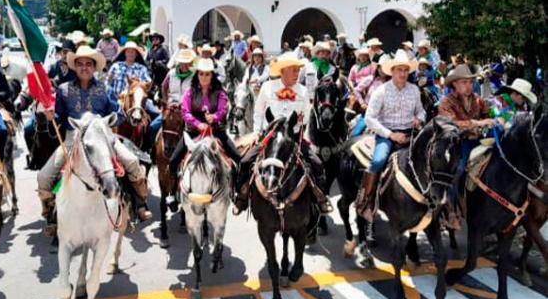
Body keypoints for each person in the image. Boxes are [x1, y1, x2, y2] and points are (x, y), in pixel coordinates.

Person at [37, 46, 152, 222]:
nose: (84, 67)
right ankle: (50, 211)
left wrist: (115, 119)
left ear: (94, 67)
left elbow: (118, 114)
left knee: (132, 161)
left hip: (103, 139)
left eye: (88, 64)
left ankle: (140, 203)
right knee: (43, 176)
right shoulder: (63, 89)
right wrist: (51, 116)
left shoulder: (105, 89)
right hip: (72, 139)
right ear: (75, 67)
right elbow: (58, 122)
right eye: (80, 64)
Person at [235, 52, 332, 215]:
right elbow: (258, 112)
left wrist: (301, 133)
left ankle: (320, 199)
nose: (297, 74)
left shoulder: (302, 91)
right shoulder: (267, 87)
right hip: (269, 137)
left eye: (298, 70)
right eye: (293, 70)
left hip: (292, 138)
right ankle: (242, 197)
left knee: (317, 164)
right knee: (244, 161)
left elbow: (306, 117)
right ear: (283, 71)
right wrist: (257, 133)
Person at [357, 49, 426, 222]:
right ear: (392, 71)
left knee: (431, 158)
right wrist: (390, 135)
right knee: (379, 160)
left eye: (405, 70)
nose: (403, 73)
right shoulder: (381, 91)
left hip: (410, 134)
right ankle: (368, 200)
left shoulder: (414, 90)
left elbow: (421, 111)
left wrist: (419, 119)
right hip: (386, 134)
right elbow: (369, 118)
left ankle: (437, 204)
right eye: (399, 70)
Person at [167, 59, 241, 206]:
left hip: (216, 130)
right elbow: (185, 112)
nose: (204, 77)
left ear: (212, 75)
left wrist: (214, 117)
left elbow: (223, 109)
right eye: (201, 74)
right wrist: (197, 124)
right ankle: (173, 193)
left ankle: (237, 191)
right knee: (173, 160)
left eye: (207, 74)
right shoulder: (189, 92)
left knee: (238, 158)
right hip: (193, 131)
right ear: (197, 75)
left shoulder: (220, 92)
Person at [438, 64, 495, 228]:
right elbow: (452, 124)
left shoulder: (478, 99)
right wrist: (477, 123)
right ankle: (450, 209)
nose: (468, 86)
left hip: (478, 140)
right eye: (464, 82)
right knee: (459, 170)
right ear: (454, 84)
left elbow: (488, 115)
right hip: (457, 142)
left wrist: (495, 118)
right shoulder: (446, 102)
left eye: (470, 82)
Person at [106, 41, 160, 134]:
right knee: (102, 116)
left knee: (157, 115)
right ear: (125, 53)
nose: (130, 54)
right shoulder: (116, 66)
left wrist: (139, 84)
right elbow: (107, 83)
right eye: (128, 51)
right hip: (116, 99)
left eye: (133, 52)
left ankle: (151, 140)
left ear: (136, 54)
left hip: (136, 99)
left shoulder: (141, 68)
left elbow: (148, 82)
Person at [351, 54, 391, 137]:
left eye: (384, 68)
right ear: (378, 68)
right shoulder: (370, 79)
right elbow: (356, 90)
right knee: (356, 133)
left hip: (385, 117)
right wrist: (362, 103)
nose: (382, 70)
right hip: (368, 113)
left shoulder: (392, 84)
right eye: (380, 67)